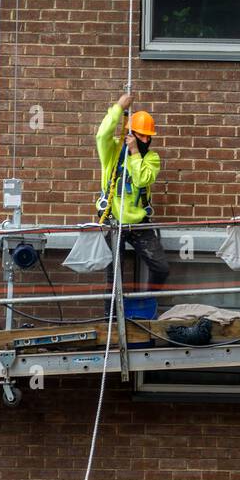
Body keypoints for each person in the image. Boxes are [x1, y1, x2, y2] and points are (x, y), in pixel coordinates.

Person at [96, 92, 168, 318]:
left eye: (149, 137)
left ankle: (144, 304)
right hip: (113, 219)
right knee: (114, 275)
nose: (146, 140)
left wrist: (136, 152)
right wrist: (118, 106)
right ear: (131, 134)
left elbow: (144, 179)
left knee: (161, 267)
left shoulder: (151, 158)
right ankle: (110, 320)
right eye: (141, 136)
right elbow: (102, 134)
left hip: (138, 222)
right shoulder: (112, 151)